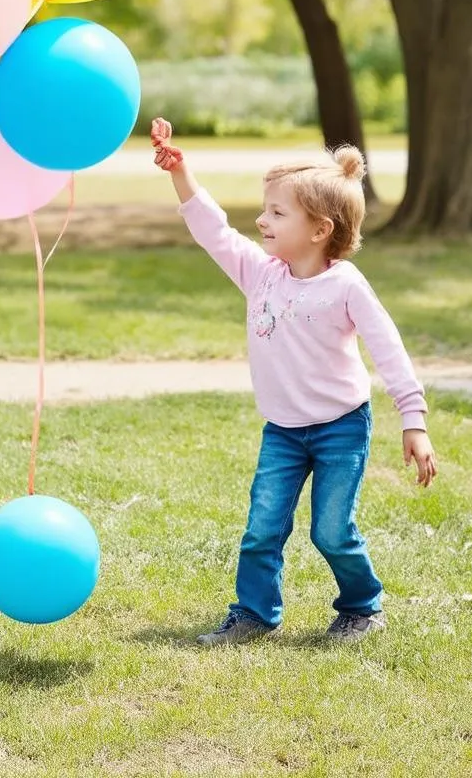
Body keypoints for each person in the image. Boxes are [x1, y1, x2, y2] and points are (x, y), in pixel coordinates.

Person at [151, 118, 437, 645]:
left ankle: (361, 607)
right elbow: (213, 230)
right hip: (282, 430)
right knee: (262, 528)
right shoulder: (261, 272)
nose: (261, 221)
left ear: (319, 228)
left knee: (331, 531)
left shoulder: (345, 285)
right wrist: (182, 173)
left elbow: (388, 350)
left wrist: (413, 420)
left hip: (340, 427)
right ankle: (255, 614)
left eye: (276, 213)